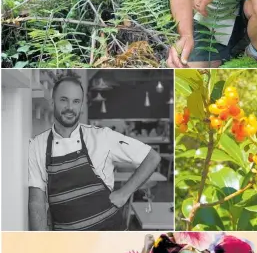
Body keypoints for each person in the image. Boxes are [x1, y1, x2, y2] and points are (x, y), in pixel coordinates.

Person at [28, 74, 160, 231]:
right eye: (64, 100)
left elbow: (152, 157)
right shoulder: (38, 145)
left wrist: (124, 193)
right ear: (53, 102)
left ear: (82, 106)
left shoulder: (102, 136)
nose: (70, 107)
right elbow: (36, 202)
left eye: (76, 101)